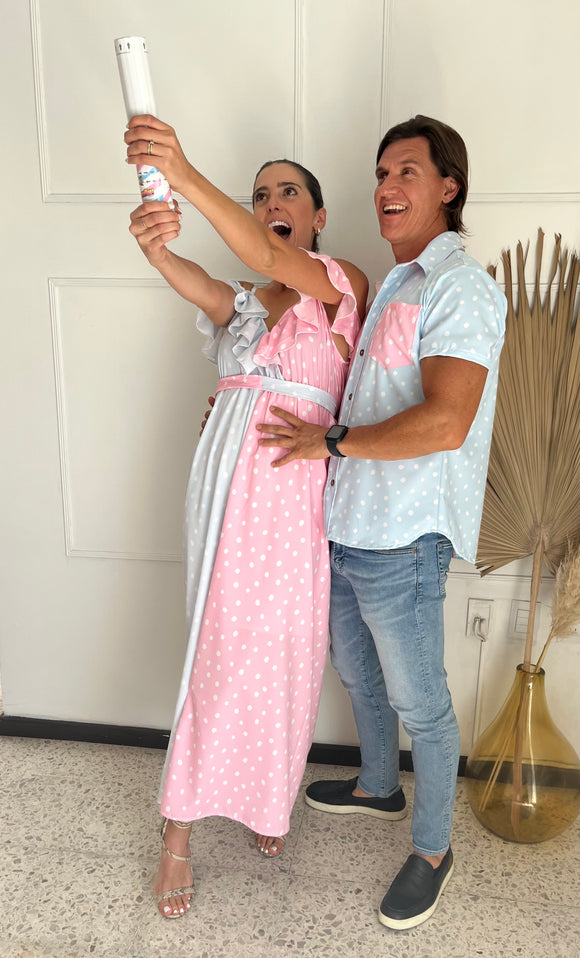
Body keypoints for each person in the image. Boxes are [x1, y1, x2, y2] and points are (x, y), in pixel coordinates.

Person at [254, 115, 507, 930]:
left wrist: (329, 440)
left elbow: (446, 422)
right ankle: (376, 786)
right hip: (346, 521)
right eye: (380, 173)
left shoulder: (458, 287)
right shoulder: (393, 284)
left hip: (405, 537)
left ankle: (432, 850)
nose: (387, 187)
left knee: (419, 701)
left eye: (407, 172)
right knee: (357, 674)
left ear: (448, 188)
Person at [124, 116, 368, 918]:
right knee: (218, 650)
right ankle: (178, 831)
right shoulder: (246, 303)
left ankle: (267, 797)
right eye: (260, 195)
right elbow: (204, 281)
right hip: (227, 488)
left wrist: (184, 172)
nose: (271, 203)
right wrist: (158, 248)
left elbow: (270, 257)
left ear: (318, 216)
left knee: (287, 652)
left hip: (295, 492)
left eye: (287, 192)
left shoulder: (339, 283)